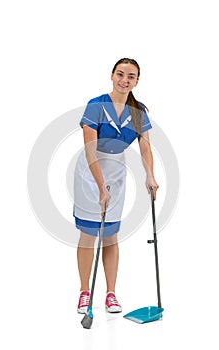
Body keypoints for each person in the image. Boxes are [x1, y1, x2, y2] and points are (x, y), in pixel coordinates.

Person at [73, 58, 159, 314]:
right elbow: (90, 149)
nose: (124, 80)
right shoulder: (96, 105)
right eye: (120, 74)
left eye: (130, 77)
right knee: (89, 234)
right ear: (112, 75)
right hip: (91, 172)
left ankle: (111, 293)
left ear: (136, 81)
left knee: (110, 235)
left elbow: (145, 145)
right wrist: (100, 187)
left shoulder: (139, 110)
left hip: (117, 171)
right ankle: (84, 292)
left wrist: (150, 176)